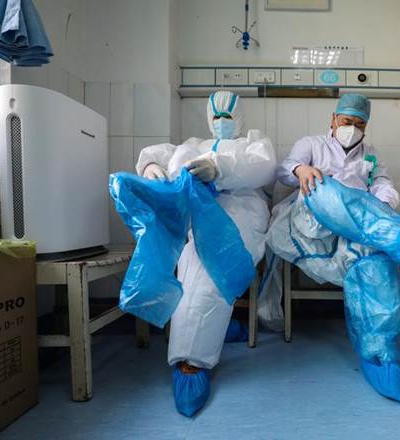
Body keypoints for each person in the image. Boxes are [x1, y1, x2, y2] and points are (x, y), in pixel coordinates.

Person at [267, 93, 400, 402]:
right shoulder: (312, 144)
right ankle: (394, 233)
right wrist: (301, 170)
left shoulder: (370, 154)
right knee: (326, 188)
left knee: (377, 263)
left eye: (360, 124)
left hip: (355, 230)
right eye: (347, 121)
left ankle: (380, 353)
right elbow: (284, 169)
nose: (353, 129)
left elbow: (384, 184)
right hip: (313, 223)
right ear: (333, 119)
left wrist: (383, 201)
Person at [136, 90, 276, 417]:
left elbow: (263, 167)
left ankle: (192, 362)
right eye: (216, 116)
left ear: (240, 118)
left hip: (241, 215)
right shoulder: (194, 145)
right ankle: (221, 331)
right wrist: (150, 166)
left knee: (209, 265)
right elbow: (158, 155)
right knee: (190, 261)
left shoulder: (253, 143)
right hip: (196, 216)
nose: (222, 122)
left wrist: (219, 168)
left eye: (228, 116)